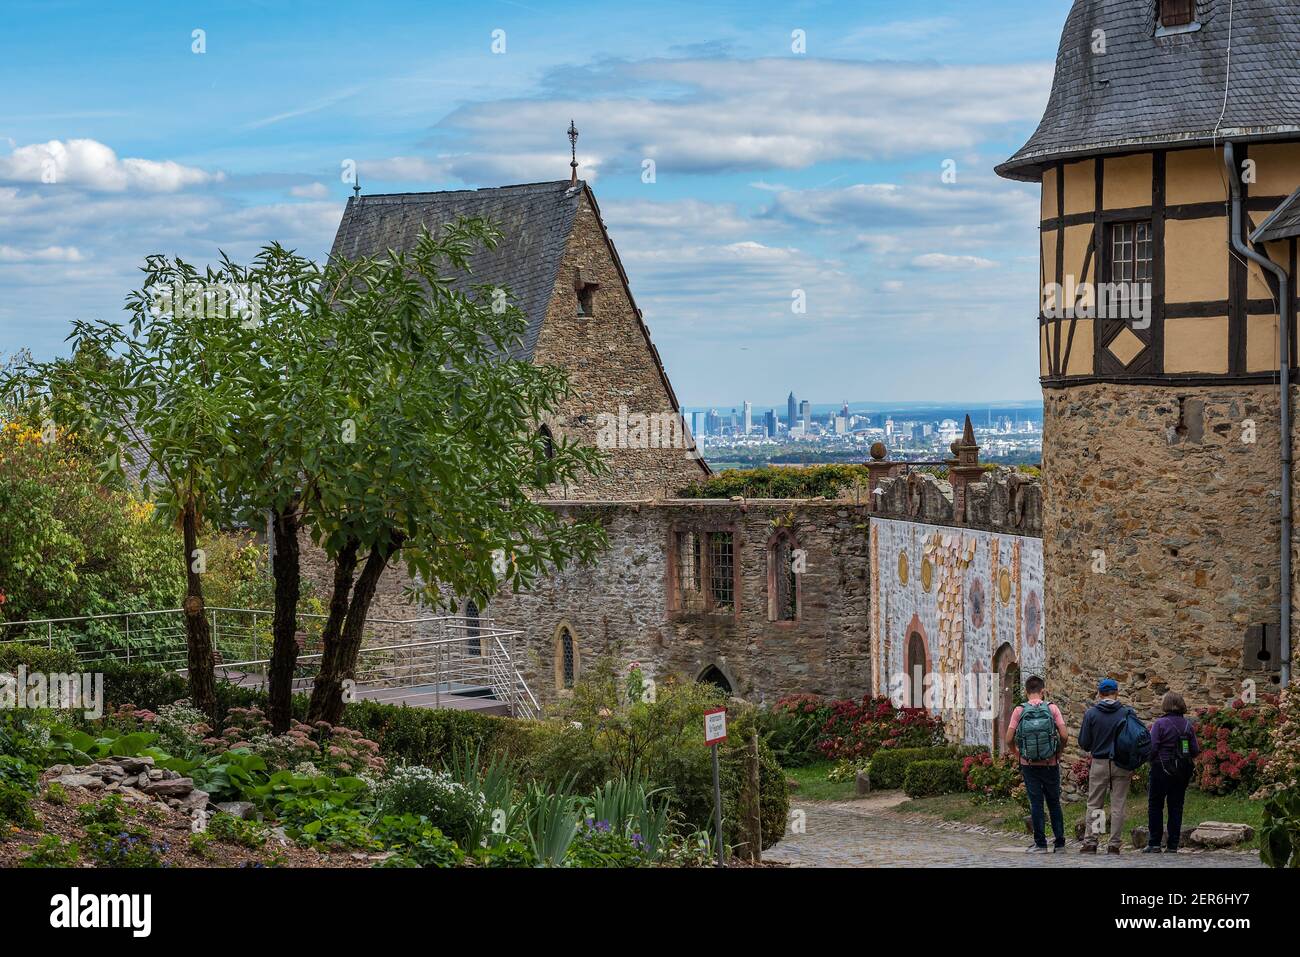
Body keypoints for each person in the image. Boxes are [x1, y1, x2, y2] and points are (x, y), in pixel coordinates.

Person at [1005, 675, 1069, 853]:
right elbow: (1064, 736)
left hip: (1030, 764)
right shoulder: (1052, 708)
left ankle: (1040, 844)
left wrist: (1017, 753)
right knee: (1054, 803)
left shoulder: (1019, 710)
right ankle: (1060, 844)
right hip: (1050, 763)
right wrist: (1059, 752)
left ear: (1026, 692)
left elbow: (1008, 738)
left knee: (1036, 803)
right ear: (1043, 691)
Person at [1077, 677, 1131, 854]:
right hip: (1121, 763)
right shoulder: (1126, 712)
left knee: (1095, 804)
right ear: (1116, 693)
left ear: (1099, 694)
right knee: (1118, 804)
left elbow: (1084, 742)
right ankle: (1114, 844)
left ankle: (1092, 842)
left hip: (1100, 762)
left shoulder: (1092, 714)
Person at [1145, 691, 1200, 853]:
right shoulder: (1187, 725)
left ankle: (1155, 843)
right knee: (1176, 806)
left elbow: (1153, 747)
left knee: (1155, 805)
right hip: (1181, 771)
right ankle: (1173, 844)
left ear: (1166, 705)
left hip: (1160, 768)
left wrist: (1150, 759)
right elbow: (1195, 750)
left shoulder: (1160, 724)